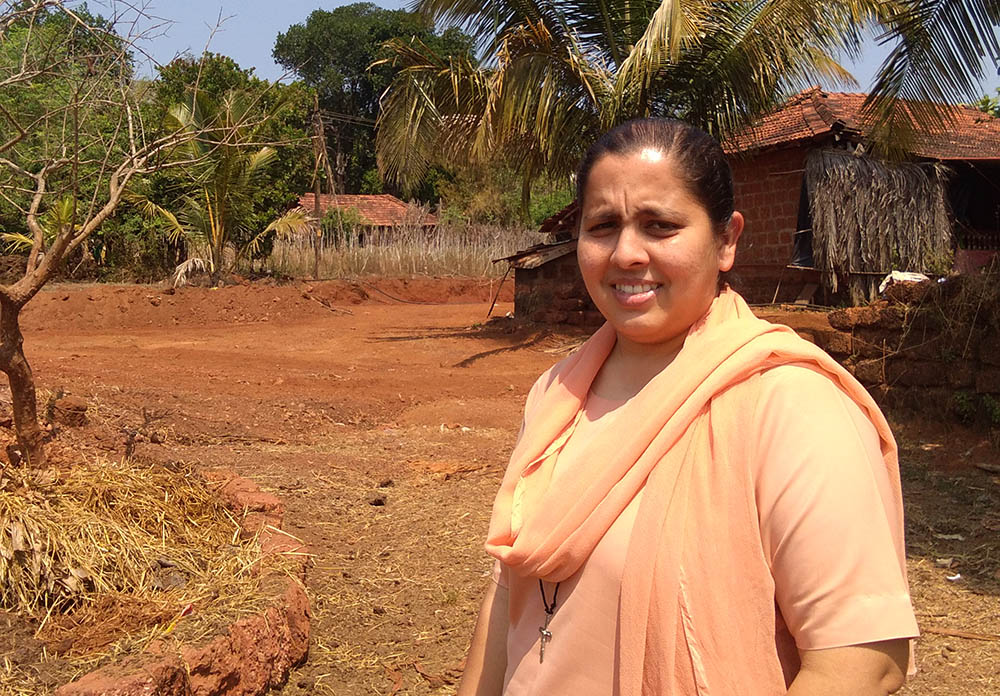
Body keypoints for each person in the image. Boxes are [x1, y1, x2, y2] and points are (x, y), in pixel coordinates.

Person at [457, 118, 919, 696]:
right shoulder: (556, 394)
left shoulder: (789, 407)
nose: (626, 253)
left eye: (660, 225)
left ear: (726, 241)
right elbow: (508, 593)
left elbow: (862, 663)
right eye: (603, 226)